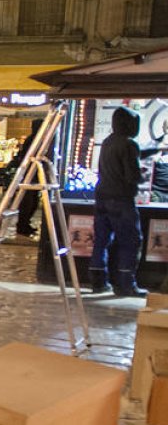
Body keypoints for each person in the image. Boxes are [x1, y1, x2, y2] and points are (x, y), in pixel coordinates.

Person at [90, 107, 147, 297]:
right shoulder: (129, 144)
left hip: (102, 196)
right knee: (130, 241)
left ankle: (98, 281)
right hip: (121, 199)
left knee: (101, 240)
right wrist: (142, 176)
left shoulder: (108, 141)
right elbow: (132, 175)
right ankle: (125, 284)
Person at [7, 119, 43, 237]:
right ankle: (22, 225)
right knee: (28, 202)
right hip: (29, 174)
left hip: (33, 174)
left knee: (32, 202)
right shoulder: (33, 139)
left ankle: (25, 223)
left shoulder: (35, 139)